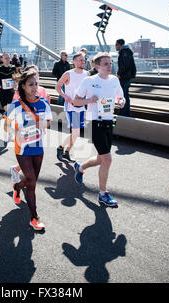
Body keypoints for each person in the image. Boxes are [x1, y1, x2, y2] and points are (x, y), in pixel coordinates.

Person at [73, 52, 125, 207]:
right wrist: (90, 100)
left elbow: (121, 97)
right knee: (107, 159)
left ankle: (80, 167)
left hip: (109, 122)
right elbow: (76, 101)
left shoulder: (115, 80)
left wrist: (121, 101)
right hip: (95, 123)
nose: (110, 66)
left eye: (110, 63)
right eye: (106, 64)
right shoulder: (89, 81)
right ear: (96, 66)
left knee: (100, 159)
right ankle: (103, 194)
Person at [4, 70, 53, 230]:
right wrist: (16, 133)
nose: (34, 87)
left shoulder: (43, 103)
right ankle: (34, 218)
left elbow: (49, 122)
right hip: (22, 149)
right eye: (30, 84)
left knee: (31, 180)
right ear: (23, 86)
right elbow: (5, 126)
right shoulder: (15, 105)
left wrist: (42, 124)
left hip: (38, 148)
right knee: (31, 184)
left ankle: (17, 187)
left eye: (36, 84)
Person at [10, 65, 50, 185]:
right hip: (24, 132)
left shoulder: (42, 90)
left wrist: (44, 124)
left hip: (38, 131)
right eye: (32, 73)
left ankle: (17, 171)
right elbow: (15, 109)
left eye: (37, 73)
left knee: (33, 160)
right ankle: (21, 180)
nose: (35, 75)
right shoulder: (20, 93)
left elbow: (45, 109)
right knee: (27, 159)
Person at [55, 52, 88, 162]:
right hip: (71, 107)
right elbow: (58, 87)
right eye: (80, 60)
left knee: (76, 133)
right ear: (74, 62)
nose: (83, 62)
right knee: (76, 132)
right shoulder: (68, 74)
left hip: (81, 107)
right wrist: (65, 97)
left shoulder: (87, 74)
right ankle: (60, 147)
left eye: (84, 60)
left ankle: (67, 152)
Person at [115, 39, 136, 117]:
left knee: (122, 95)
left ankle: (123, 112)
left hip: (124, 77)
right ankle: (125, 112)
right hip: (127, 76)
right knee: (125, 94)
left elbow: (125, 65)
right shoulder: (126, 52)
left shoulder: (124, 52)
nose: (115, 46)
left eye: (116, 45)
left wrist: (119, 74)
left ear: (119, 45)